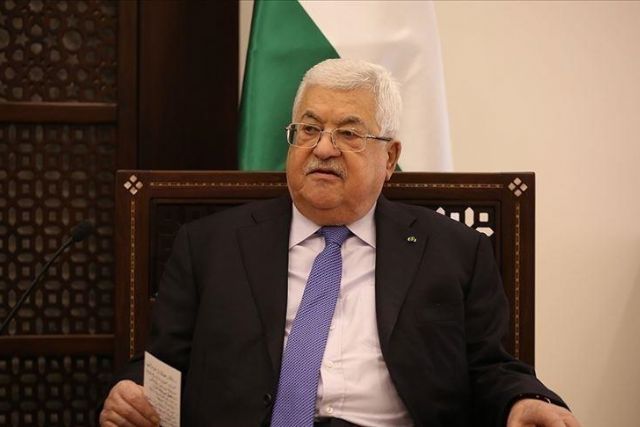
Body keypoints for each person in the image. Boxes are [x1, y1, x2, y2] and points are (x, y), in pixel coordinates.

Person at [100, 59, 580, 427]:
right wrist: (131, 392)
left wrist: (524, 401)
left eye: (349, 133)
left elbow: (490, 367)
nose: (323, 148)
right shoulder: (209, 246)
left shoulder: (455, 251)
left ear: (389, 158)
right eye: (309, 129)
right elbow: (162, 366)